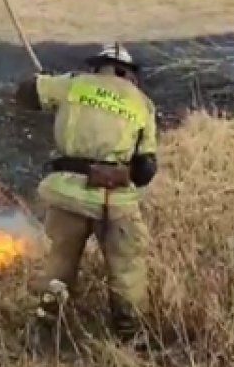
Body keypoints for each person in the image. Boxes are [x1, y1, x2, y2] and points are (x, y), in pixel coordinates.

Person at [13, 43, 159, 346]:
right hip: (116, 201)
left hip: (68, 193)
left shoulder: (73, 84)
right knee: (128, 267)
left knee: (57, 263)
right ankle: (132, 335)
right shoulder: (143, 104)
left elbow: (25, 94)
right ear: (130, 74)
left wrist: (44, 81)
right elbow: (146, 168)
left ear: (97, 67)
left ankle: (44, 331)